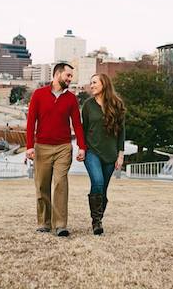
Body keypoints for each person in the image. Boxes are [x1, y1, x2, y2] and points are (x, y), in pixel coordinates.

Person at [26, 63, 86, 237]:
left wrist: (82, 147)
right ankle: (44, 223)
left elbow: (77, 124)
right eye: (67, 75)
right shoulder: (39, 94)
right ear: (57, 74)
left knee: (60, 183)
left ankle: (60, 224)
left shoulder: (71, 98)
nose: (70, 79)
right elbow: (31, 122)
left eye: (71, 76)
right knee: (42, 185)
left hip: (63, 147)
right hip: (42, 147)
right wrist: (30, 146)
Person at [80, 73, 125, 235]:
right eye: (90, 83)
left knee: (103, 190)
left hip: (111, 153)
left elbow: (121, 132)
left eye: (94, 83)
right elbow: (83, 130)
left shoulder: (117, 104)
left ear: (104, 84)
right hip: (92, 151)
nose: (91, 85)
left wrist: (120, 154)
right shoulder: (88, 105)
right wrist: (81, 148)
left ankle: (98, 217)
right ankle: (96, 222)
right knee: (97, 182)